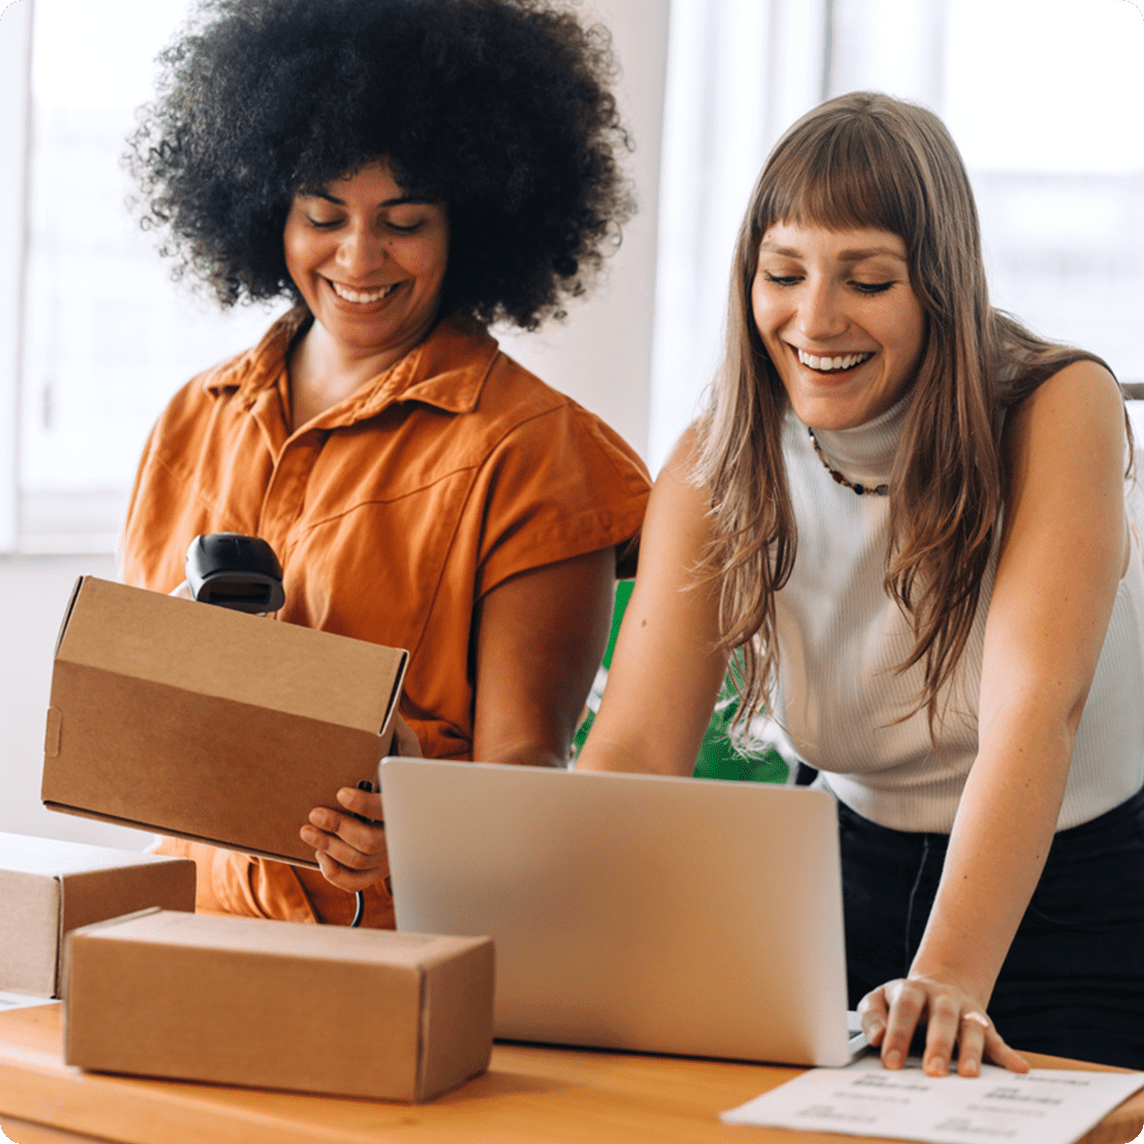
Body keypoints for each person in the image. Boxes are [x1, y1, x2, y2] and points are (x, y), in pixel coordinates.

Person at [576, 91, 1144, 1074]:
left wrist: (951, 979)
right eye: (782, 274)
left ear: (938, 285)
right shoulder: (715, 461)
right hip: (847, 864)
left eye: (866, 280)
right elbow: (632, 748)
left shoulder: (1056, 405)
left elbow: (1032, 714)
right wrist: (540, 923)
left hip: (1082, 880)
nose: (815, 319)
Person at [120, 0, 650, 928]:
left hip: (394, 954)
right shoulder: (191, 421)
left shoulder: (537, 453)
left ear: (471, 228)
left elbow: (525, 783)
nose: (358, 257)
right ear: (266, 211)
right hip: (186, 934)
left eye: (404, 221)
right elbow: (131, 729)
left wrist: (409, 810)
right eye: (323, 215)